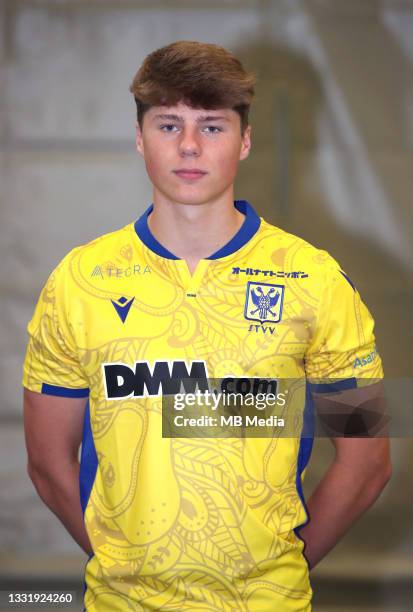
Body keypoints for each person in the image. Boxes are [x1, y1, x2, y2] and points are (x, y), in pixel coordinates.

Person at [22, 40, 391, 611]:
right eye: (168, 124)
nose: (189, 145)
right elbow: (48, 464)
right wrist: (122, 567)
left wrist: (283, 570)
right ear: (139, 137)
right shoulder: (79, 281)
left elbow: (368, 460)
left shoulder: (316, 280)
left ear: (244, 141)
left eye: (212, 127)